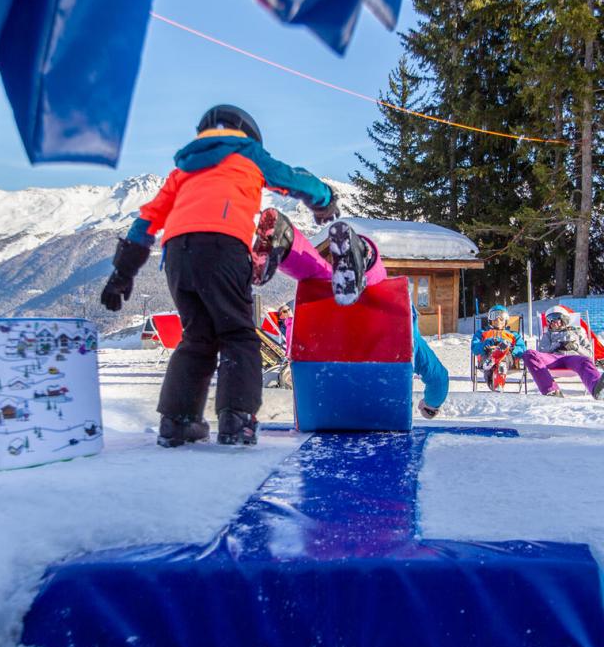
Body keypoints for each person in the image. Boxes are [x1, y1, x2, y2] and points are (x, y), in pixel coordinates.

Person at [100, 105, 338, 447]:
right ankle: (237, 421)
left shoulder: (182, 171)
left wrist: (122, 272)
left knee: (197, 337)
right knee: (237, 333)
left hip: (178, 256)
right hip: (223, 246)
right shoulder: (247, 153)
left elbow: (147, 220)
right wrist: (325, 199)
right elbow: (293, 178)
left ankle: (178, 423)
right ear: (247, 132)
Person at [252, 209, 449, 418]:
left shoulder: (326, 311)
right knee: (378, 287)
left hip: (327, 415)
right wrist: (430, 405)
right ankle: (366, 257)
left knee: (320, 279)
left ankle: (289, 244)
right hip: (384, 416)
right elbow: (439, 378)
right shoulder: (403, 327)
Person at [522, 305, 604, 399]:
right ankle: (551, 391)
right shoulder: (548, 334)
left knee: (585, 361)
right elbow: (541, 352)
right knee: (529, 354)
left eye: (554, 318)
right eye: (549, 319)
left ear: (564, 319)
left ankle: (597, 390)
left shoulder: (578, 331)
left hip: (573, 359)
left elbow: (590, 355)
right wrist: (557, 345)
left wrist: (576, 347)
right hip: (554, 358)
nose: (551, 322)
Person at [470, 305, 526, 392]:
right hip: (487, 355)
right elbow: (475, 347)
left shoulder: (513, 335)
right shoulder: (482, 333)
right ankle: (497, 385)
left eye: (502, 317)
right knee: (493, 355)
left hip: (507, 358)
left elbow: (522, 349)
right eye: (494, 317)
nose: (498, 320)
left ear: (506, 320)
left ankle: (494, 360)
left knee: (503, 352)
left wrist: (511, 348)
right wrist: (486, 343)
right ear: (490, 320)